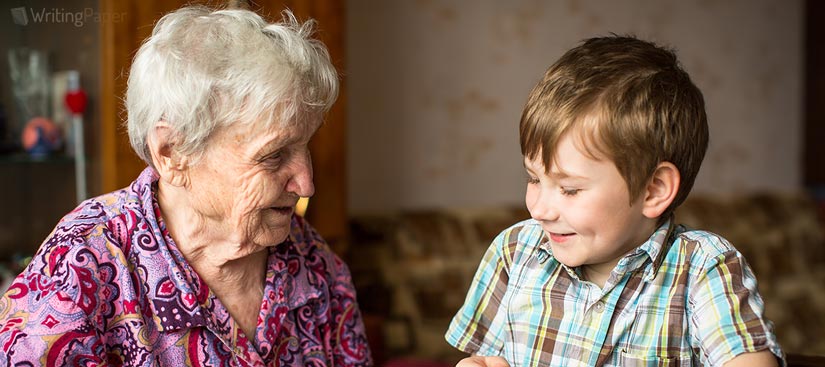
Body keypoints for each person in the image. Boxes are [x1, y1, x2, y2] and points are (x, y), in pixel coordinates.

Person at [0, 6, 371, 366]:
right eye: (274, 155)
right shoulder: (80, 268)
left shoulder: (316, 266)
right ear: (172, 153)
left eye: (306, 146)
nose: (306, 184)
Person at [445, 35, 784, 366]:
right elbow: (479, 358)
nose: (539, 209)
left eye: (570, 189)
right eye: (534, 179)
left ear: (653, 190)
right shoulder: (513, 252)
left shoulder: (702, 270)